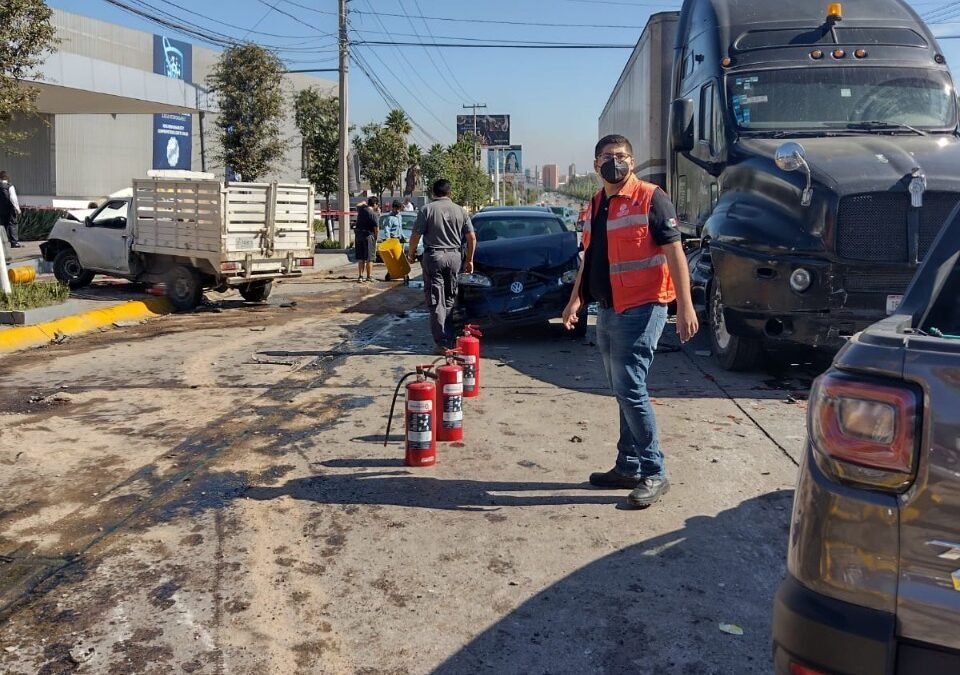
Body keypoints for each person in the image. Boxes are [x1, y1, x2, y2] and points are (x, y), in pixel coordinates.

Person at [562, 134, 699, 509]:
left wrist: (685, 306)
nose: (615, 162)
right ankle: (628, 465)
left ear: (633, 162)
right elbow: (588, 259)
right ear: (595, 165)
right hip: (606, 308)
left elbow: (675, 252)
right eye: (607, 157)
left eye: (621, 156)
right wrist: (575, 301)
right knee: (621, 389)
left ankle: (655, 471)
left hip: (643, 306)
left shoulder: (651, 197)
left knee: (630, 387)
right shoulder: (594, 204)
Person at [407, 179, 477, 354]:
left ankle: (442, 343)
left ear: (433, 192)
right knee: (450, 298)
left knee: (436, 300)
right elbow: (472, 238)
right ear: (449, 192)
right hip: (455, 257)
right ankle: (452, 340)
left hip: (434, 256)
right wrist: (469, 260)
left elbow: (416, 235)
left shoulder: (427, 209)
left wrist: (411, 253)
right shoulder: (460, 210)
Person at [354, 196, 379, 283]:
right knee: (370, 257)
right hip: (368, 236)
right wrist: (376, 238)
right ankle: (369, 276)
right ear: (375, 204)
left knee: (361, 257)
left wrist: (364, 203)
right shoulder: (373, 214)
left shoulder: (361, 210)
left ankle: (360, 276)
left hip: (358, 235)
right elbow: (376, 228)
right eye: (377, 204)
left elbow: (358, 204)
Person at [0, 171, 22, 248]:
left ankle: (2, 242)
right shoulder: (10, 186)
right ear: (7, 178)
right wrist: (18, 209)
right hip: (10, 209)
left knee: (2, 225)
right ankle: (14, 242)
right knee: (13, 224)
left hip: (1, 209)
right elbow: (13, 198)